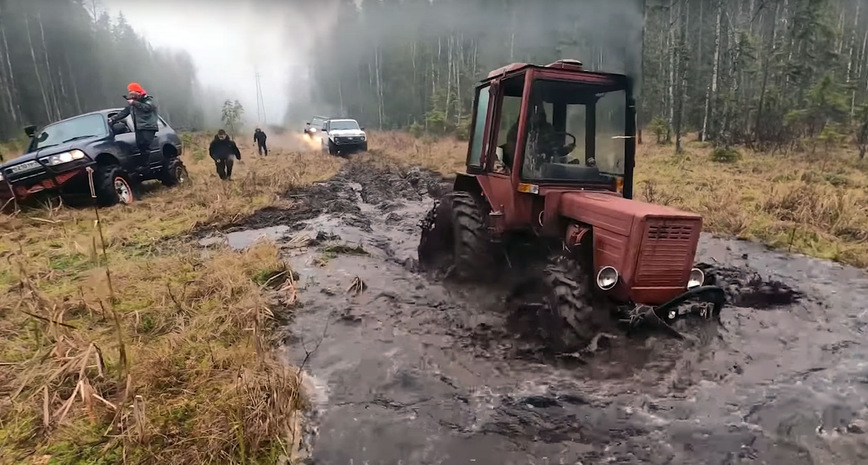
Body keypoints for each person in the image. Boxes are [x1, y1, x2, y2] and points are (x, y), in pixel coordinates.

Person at [108, 82, 159, 173]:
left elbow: (147, 108)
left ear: (137, 92)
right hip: (138, 128)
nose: (130, 94)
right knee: (140, 145)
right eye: (129, 93)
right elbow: (124, 112)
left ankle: (146, 166)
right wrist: (113, 119)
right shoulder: (133, 103)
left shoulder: (147, 100)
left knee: (145, 144)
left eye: (132, 92)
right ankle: (144, 166)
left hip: (148, 127)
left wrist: (134, 103)